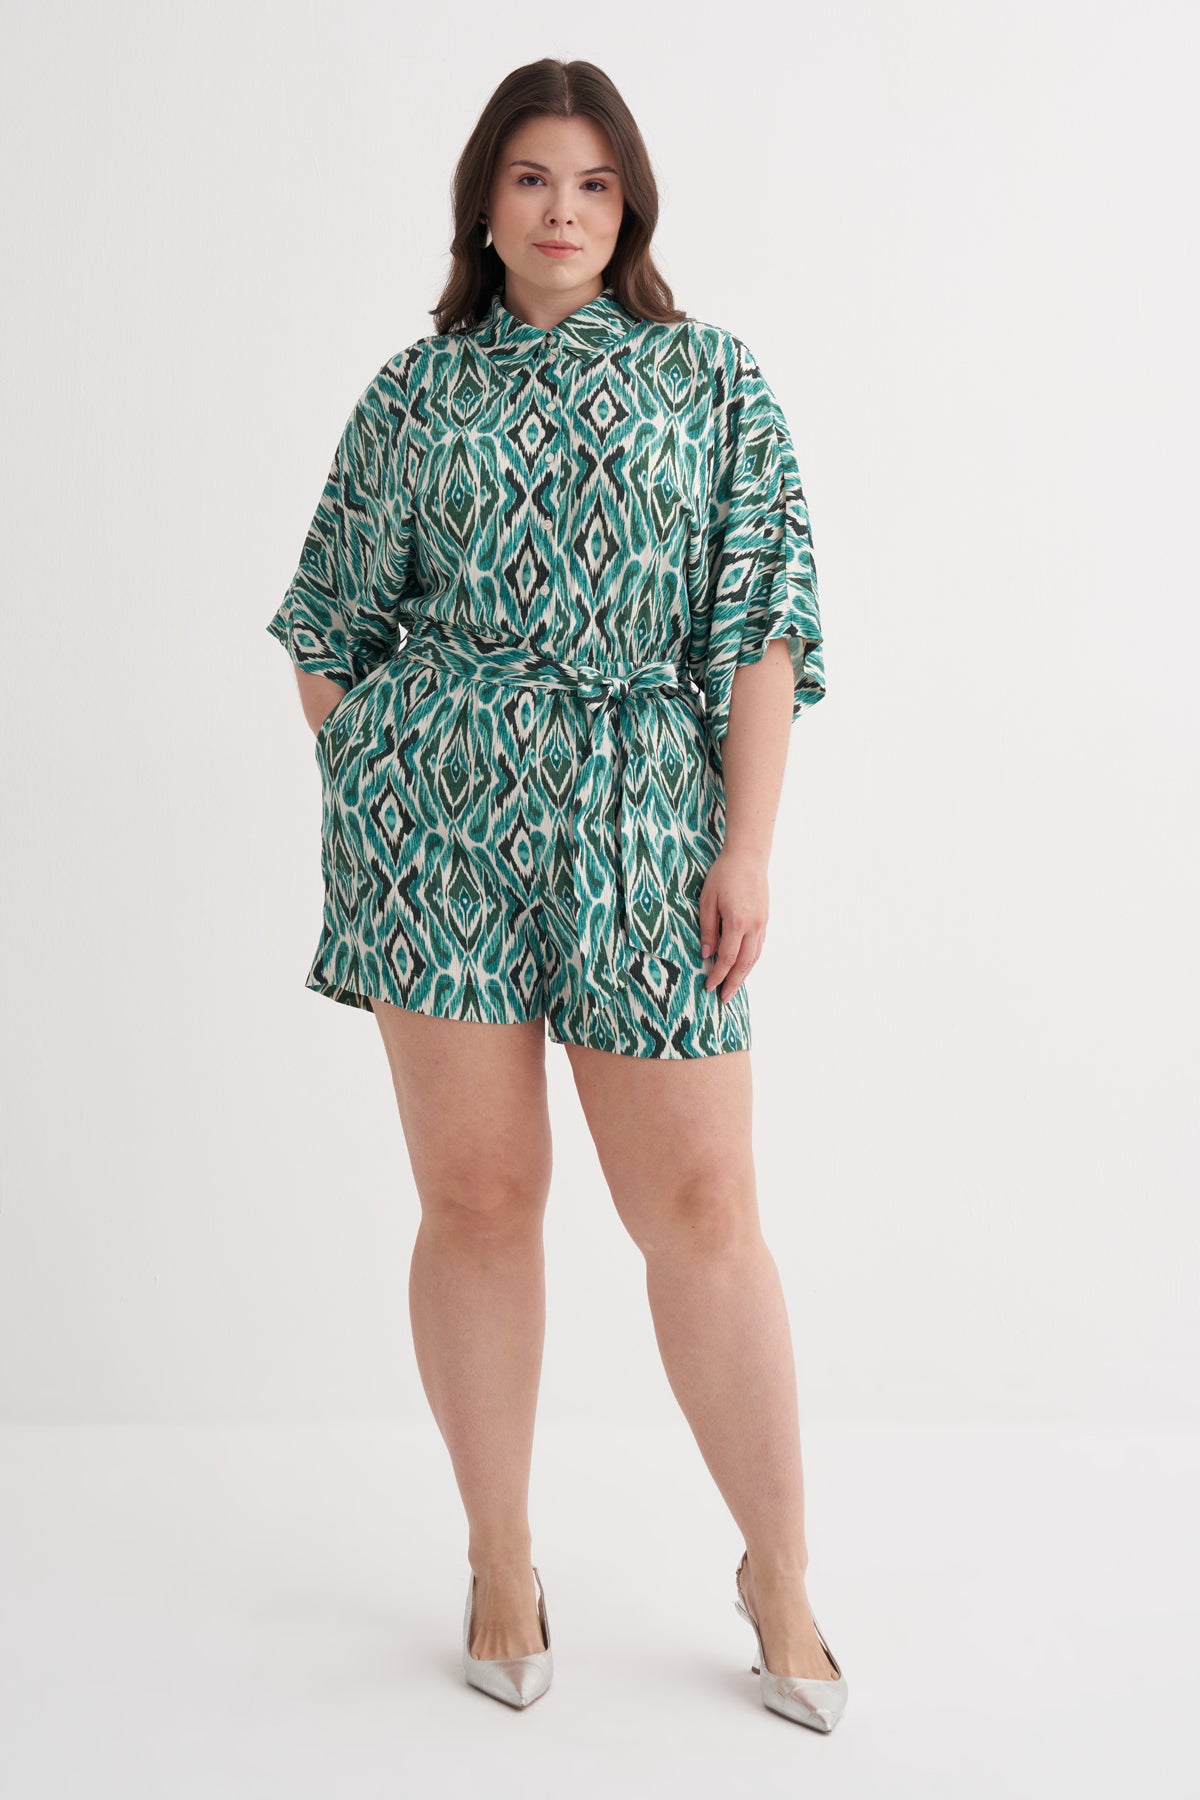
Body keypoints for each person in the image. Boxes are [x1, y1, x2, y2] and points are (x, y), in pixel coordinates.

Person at [266, 57, 847, 1731]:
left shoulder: (710, 378)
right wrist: (383, 771)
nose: (564, 209)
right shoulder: (416, 392)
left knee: (703, 1214)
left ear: (631, 203)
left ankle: (781, 1572)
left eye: (593, 182)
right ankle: (502, 1556)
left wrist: (745, 846)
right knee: (477, 1197)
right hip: (439, 832)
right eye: (531, 178)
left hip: (647, 818)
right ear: (484, 204)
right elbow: (327, 622)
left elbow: (764, 625)